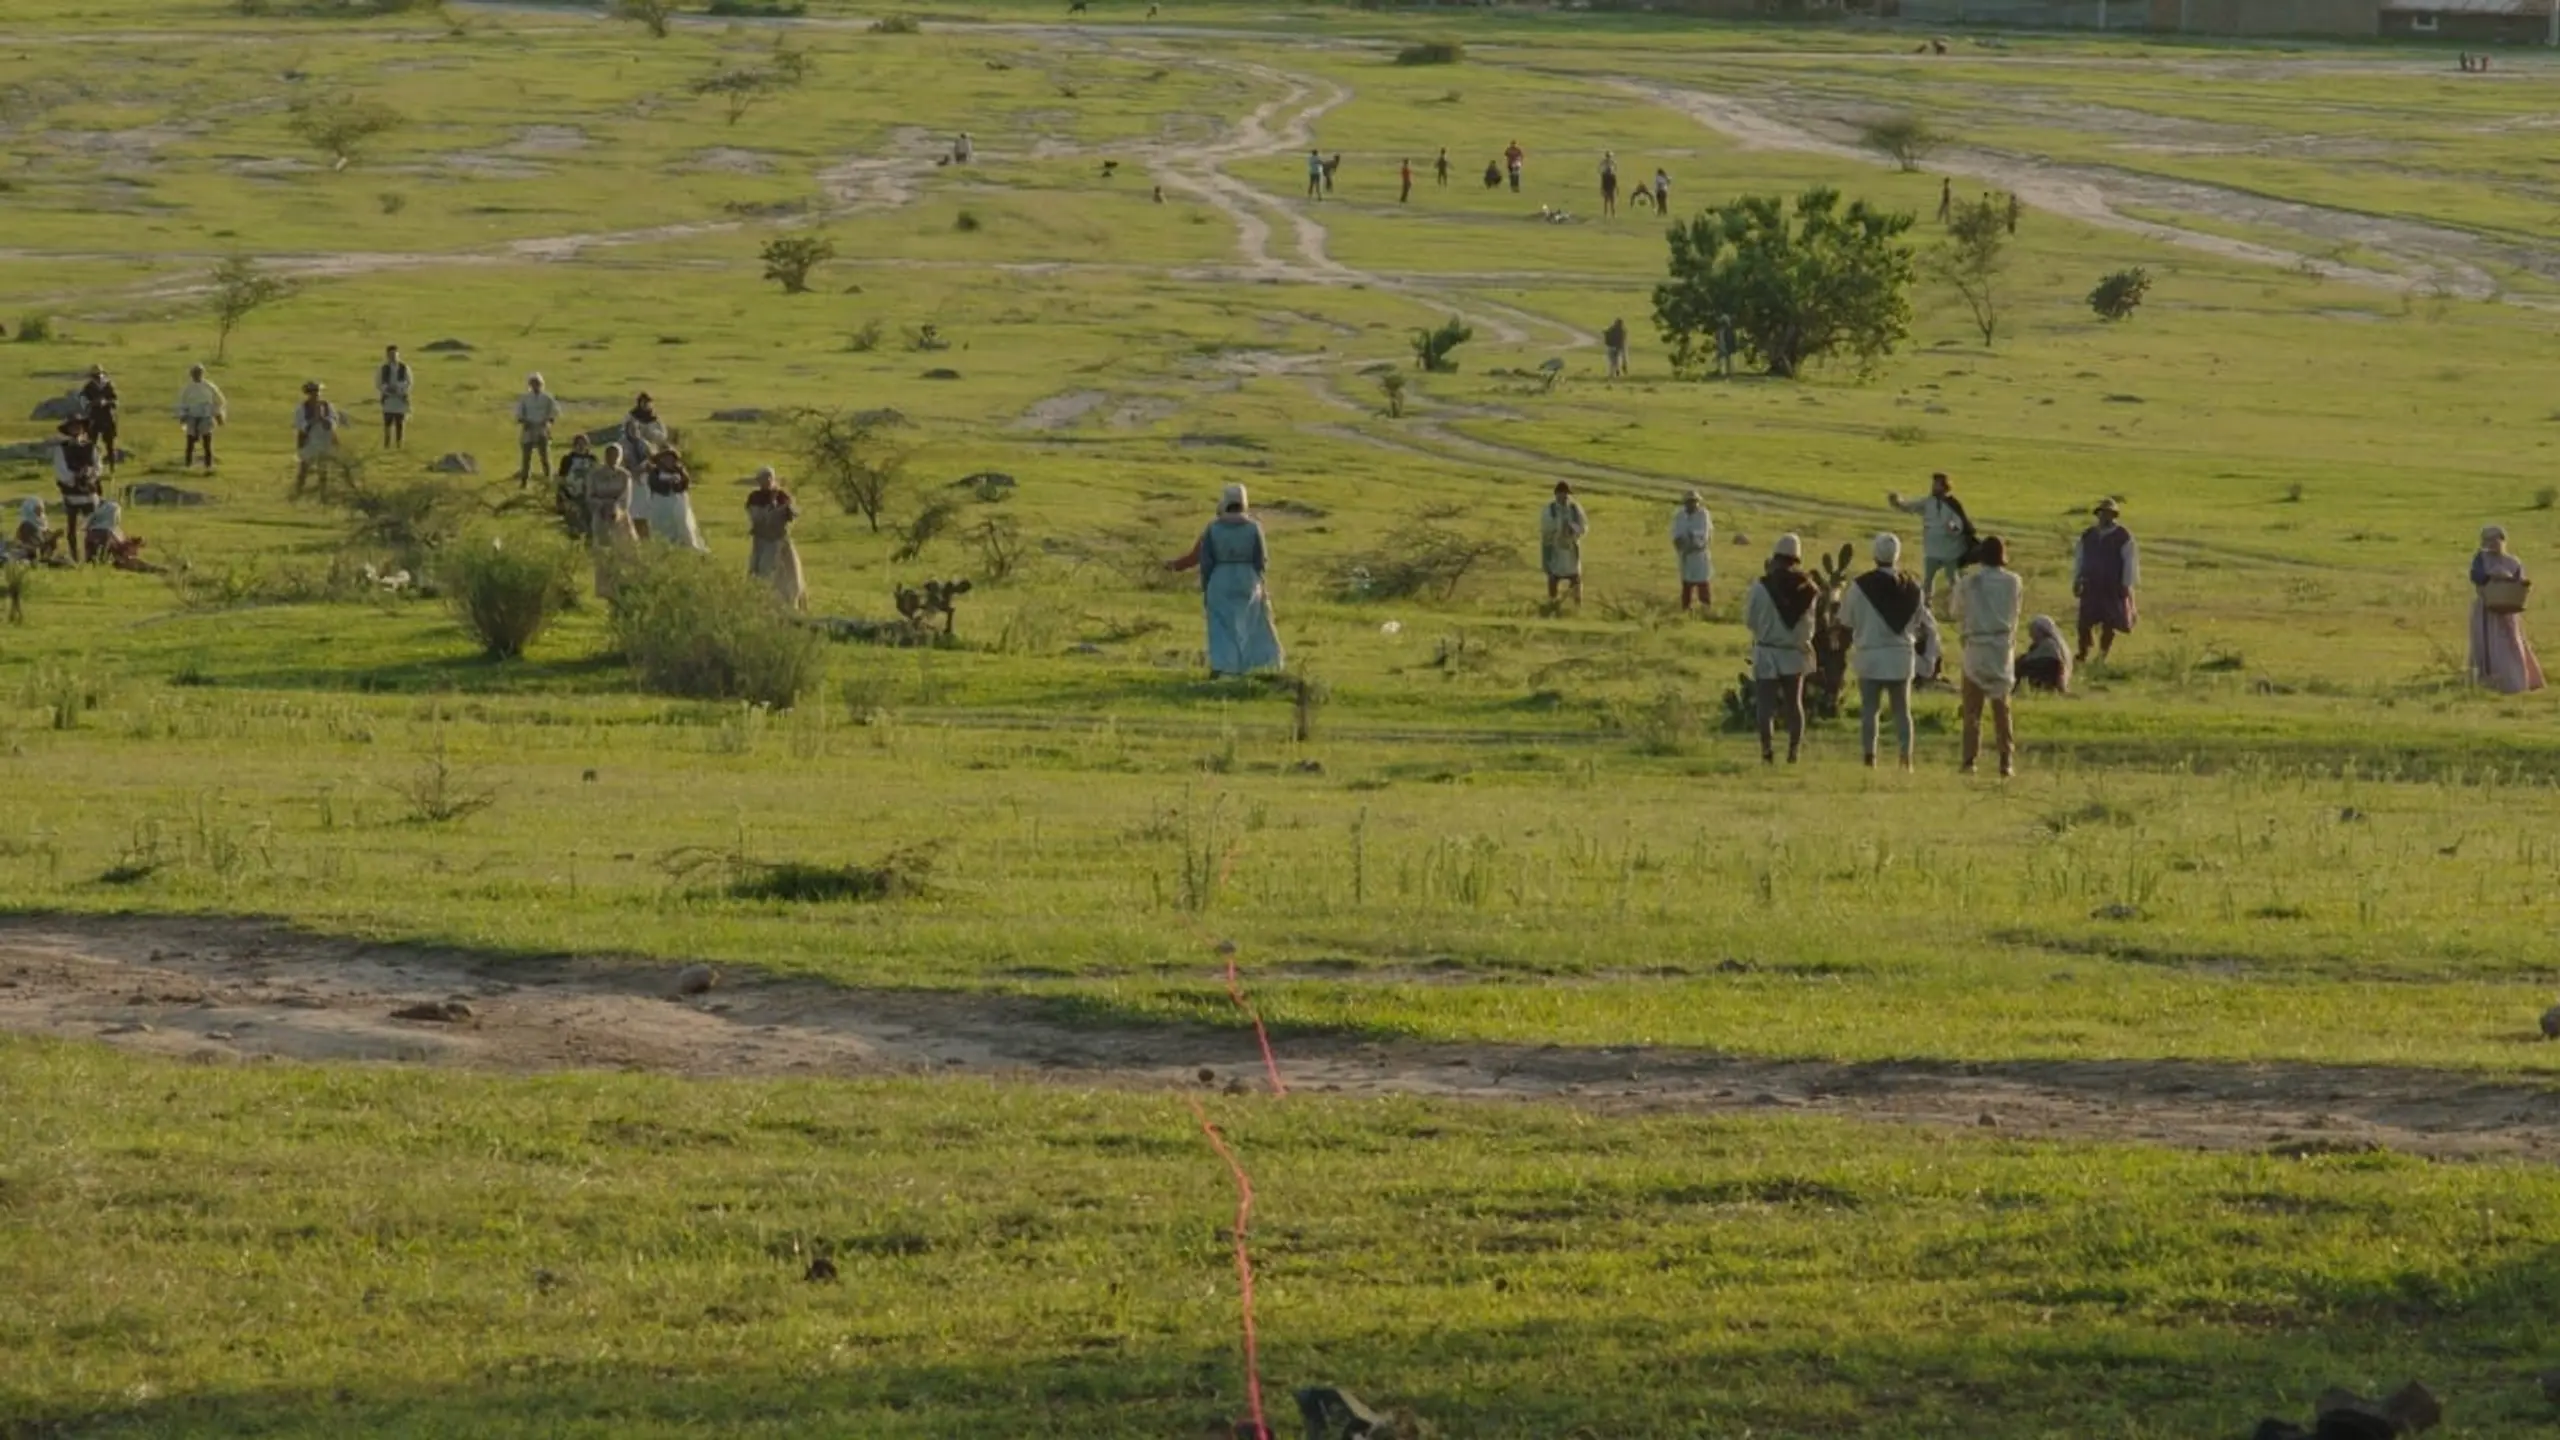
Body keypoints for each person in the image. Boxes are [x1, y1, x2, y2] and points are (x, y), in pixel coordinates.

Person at [1165, 484, 1284, 676]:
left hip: (1220, 577)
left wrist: (1206, 586)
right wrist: (1258, 581)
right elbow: (1261, 559)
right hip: (1248, 579)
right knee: (1254, 621)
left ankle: (1223, 666)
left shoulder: (1213, 529)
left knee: (1221, 624)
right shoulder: (1254, 528)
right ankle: (1260, 663)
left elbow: (1206, 560)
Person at [1841, 532, 1923, 770]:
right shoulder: (1913, 587)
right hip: (1900, 656)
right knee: (1902, 712)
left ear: (1875, 555)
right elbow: (1918, 622)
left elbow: (1847, 620)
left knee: (1870, 711)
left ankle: (1870, 758)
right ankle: (1905, 760)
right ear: (1897, 556)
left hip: (1870, 656)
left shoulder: (1859, 586)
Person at [1954, 535, 2023, 778]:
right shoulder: (2014, 582)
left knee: (1972, 708)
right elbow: (2016, 612)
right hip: (2002, 648)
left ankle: (1969, 760)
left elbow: (1955, 611)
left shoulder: (1968, 582)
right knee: (2002, 708)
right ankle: (2006, 761)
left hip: (1976, 646)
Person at [1745, 534, 1817, 765]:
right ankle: (1793, 752)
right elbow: (1811, 626)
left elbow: (1749, 619)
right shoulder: (1809, 590)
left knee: (1765, 704)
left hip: (1767, 650)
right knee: (1794, 703)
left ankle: (1767, 751)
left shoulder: (1761, 586)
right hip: (1794, 652)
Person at [2469, 525, 2545, 694]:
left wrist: (2514, 582)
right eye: (2487, 540)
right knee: (2486, 644)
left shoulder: (2513, 562)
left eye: (2494, 540)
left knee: (2511, 644)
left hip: (2508, 609)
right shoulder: (2481, 558)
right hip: (2486, 609)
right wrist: (2491, 577)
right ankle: (2487, 681)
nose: (2491, 544)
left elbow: (2520, 582)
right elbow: (2476, 576)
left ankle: (2515, 680)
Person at [1887, 471, 1975, 611]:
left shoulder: (1952, 504)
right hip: (1932, 550)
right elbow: (1911, 506)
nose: (1933, 487)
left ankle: (1962, 605)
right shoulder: (1928, 503)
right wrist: (1898, 503)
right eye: (1933, 484)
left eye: (1936, 484)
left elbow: (1959, 524)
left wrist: (1951, 528)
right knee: (1928, 580)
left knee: (1952, 579)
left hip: (1949, 551)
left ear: (1944, 487)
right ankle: (1925, 606)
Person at [2073, 498, 2139, 662]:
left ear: (2114, 515)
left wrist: (2126, 584)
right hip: (2091, 584)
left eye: (2109, 513)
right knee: (2084, 622)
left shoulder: (2123, 536)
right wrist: (2076, 579)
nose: (2105, 517)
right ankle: (2083, 652)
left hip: (2112, 585)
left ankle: (2103, 655)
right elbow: (2080, 558)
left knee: (2109, 623)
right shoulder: (2088, 535)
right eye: (2102, 513)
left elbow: (2130, 562)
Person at [746, 466, 806, 610]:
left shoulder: (782, 495)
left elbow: (792, 514)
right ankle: (762, 602)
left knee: (787, 573)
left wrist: (788, 510)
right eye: (762, 479)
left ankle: (788, 603)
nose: (765, 482)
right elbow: (757, 518)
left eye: (768, 478)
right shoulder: (755, 497)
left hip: (780, 540)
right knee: (763, 571)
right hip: (763, 541)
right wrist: (770, 507)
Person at [585, 442, 639, 600]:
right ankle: (603, 589)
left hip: (620, 518)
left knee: (622, 551)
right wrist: (601, 506)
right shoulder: (594, 475)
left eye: (616, 455)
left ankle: (622, 584)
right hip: (600, 516)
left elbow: (625, 498)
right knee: (602, 551)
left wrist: (615, 509)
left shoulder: (624, 475)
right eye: (609, 455)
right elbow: (589, 495)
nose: (612, 458)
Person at [640, 446, 706, 552]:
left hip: (677, 501)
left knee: (680, 523)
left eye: (671, 459)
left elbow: (685, 484)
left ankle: (684, 545)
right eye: (666, 458)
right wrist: (667, 484)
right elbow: (655, 485)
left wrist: (677, 484)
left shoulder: (679, 470)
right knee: (662, 525)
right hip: (661, 501)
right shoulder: (655, 472)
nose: (668, 461)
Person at [618, 394, 670, 520]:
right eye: (643, 402)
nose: (645, 405)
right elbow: (623, 429)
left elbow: (663, 436)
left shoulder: (655, 418)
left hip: (649, 450)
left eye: (647, 403)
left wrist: (652, 434)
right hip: (630, 452)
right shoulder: (631, 416)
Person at [1540, 480, 1586, 604]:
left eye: (1566, 493)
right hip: (1556, 550)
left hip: (1570, 549)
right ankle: (1552, 601)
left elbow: (1583, 527)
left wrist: (1572, 529)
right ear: (1556, 494)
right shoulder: (1550, 509)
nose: (1564, 496)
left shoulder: (1574, 509)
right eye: (1561, 493)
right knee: (1553, 576)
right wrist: (1559, 528)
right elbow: (1545, 529)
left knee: (1575, 578)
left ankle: (1577, 604)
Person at [174, 363, 226, 471]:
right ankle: (187, 465)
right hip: (192, 416)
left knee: (207, 441)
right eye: (195, 373)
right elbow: (182, 403)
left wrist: (217, 414)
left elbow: (219, 401)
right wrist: (183, 415)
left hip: (206, 416)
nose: (197, 375)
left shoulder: (209, 387)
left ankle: (208, 466)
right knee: (190, 441)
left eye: (199, 373)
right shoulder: (187, 388)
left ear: (202, 374)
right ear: (191, 374)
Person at [291, 380, 341, 492]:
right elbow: (300, 425)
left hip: (324, 440)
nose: (316, 394)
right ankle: (298, 490)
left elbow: (334, 421)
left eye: (317, 391)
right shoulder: (302, 408)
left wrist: (324, 420)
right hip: (309, 441)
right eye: (313, 392)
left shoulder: (327, 406)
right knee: (304, 468)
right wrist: (313, 420)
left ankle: (323, 491)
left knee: (323, 469)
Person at [514, 374, 562, 486]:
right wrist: (524, 421)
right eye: (533, 383)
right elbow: (519, 413)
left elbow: (555, 412)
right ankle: (524, 481)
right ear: (530, 385)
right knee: (526, 457)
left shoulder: (547, 397)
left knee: (544, 456)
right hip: (529, 429)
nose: (535, 386)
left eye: (538, 383)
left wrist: (548, 421)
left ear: (541, 384)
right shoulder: (525, 398)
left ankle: (548, 480)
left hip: (542, 429)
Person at [1670, 489, 1713, 611]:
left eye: (1694, 502)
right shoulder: (1680, 516)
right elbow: (1676, 535)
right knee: (1686, 584)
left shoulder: (1703, 515)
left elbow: (1703, 536)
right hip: (1685, 555)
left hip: (1699, 556)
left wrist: (1692, 542)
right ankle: (1686, 608)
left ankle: (1706, 609)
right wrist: (1683, 546)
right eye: (1689, 502)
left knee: (1702, 583)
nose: (1692, 504)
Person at [554, 434, 598, 540]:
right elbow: (561, 479)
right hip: (572, 496)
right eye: (578, 444)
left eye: (583, 444)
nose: (581, 446)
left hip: (588, 497)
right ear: (574, 445)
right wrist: (561, 497)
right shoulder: (567, 459)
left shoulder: (592, 459)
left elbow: (597, 477)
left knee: (590, 524)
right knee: (573, 525)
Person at [78, 365, 120, 474]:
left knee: (110, 444)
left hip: (107, 417)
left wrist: (106, 402)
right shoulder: (88, 387)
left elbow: (115, 401)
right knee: (92, 444)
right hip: (94, 417)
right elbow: (84, 403)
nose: (98, 377)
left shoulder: (108, 385)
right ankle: (92, 467)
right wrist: (93, 403)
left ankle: (112, 467)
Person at [2019, 614, 2073, 694]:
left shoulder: (2049, 644)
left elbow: (2057, 665)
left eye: (2033, 630)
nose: (2030, 634)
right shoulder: (2040, 645)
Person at [375, 344, 413, 450]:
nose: (392, 356)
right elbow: (378, 382)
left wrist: (399, 389)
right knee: (387, 423)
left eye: (394, 354)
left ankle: (399, 445)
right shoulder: (383, 368)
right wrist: (386, 389)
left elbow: (409, 382)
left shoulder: (404, 367)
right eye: (390, 354)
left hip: (400, 399)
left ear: (398, 354)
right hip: (388, 399)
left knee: (399, 423)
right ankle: (386, 445)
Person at [11, 498, 60, 563]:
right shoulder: (26, 525)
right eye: (38, 509)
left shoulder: (42, 524)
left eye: (41, 510)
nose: (40, 512)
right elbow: (30, 544)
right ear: (30, 510)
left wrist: (55, 537)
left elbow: (48, 542)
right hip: (28, 552)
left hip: (40, 553)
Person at [1714, 315, 1737, 379]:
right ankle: (1724, 372)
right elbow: (1717, 338)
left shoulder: (1728, 330)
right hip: (1723, 346)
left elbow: (1731, 340)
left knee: (1727, 360)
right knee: (1723, 360)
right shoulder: (1722, 330)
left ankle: (1728, 373)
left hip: (1726, 347)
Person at [1599, 150, 1618, 217]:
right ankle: (1610, 214)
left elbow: (1614, 183)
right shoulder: (1609, 174)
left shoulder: (1607, 175)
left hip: (1609, 188)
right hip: (1608, 188)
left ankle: (1609, 214)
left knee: (1608, 201)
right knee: (1609, 201)